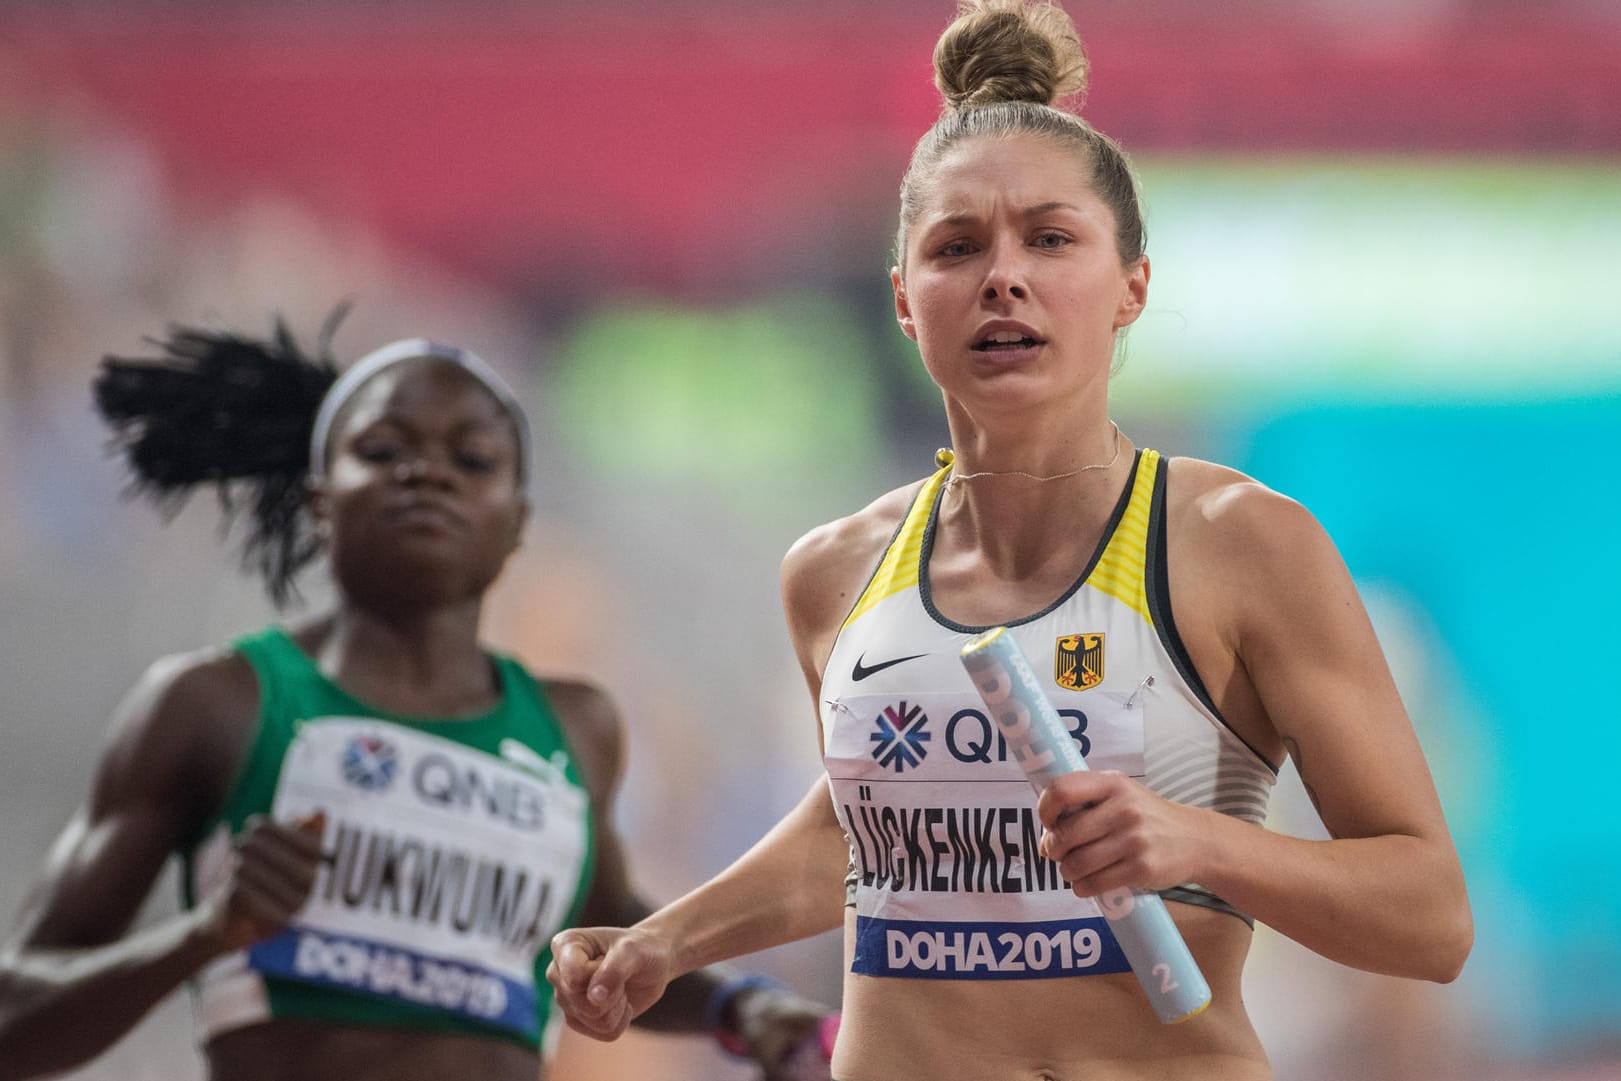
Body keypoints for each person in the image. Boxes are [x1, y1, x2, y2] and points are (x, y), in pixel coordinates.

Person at [546, 2, 1474, 1078]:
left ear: (1133, 285)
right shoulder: (834, 571)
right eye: (956, 246)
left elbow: (1430, 918)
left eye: (1048, 237)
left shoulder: (1238, 544)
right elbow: (862, 834)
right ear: (905, 298)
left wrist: (1197, 842)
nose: (1002, 276)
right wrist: (664, 942)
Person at [0, 322, 835, 1081]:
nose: (427, 472)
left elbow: (607, 925)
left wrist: (739, 1008)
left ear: (515, 521)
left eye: (471, 459)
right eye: (384, 447)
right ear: (320, 497)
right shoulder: (216, 704)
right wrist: (204, 936)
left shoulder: (575, 727)